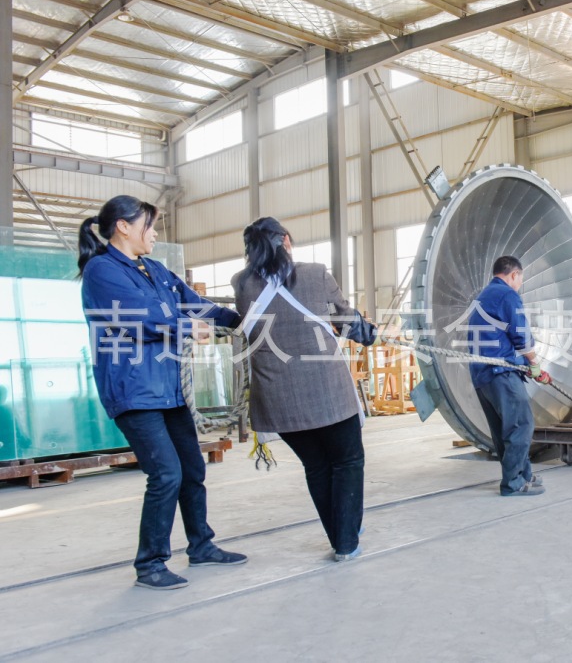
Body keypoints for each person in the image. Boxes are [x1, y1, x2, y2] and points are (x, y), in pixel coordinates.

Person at [78, 195, 246, 591]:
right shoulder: (102, 270)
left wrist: (241, 320)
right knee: (166, 473)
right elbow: (139, 317)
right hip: (134, 390)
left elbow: (193, 304)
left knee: (192, 469)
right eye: (148, 225)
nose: (154, 233)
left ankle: (201, 545)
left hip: (168, 389)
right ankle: (150, 563)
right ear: (123, 226)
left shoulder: (154, 269)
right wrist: (187, 327)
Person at [232, 217, 379, 562]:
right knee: (347, 461)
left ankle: (341, 536)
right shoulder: (315, 274)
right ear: (285, 240)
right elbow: (344, 320)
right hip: (327, 393)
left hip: (277, 400)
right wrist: (369, 332)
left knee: (317, 466)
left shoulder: (241, 284)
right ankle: (346, 541)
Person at [469, 256, 551, 497]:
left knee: (504, 429)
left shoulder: (483, 296)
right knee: (521, 424)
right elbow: (521, 335)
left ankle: (522, 475)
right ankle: (513, 482)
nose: (520, 284)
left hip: (482, 374)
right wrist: (534, 364)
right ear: (514, 274)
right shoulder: (507, 295)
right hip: (500, 372)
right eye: (520, 279)